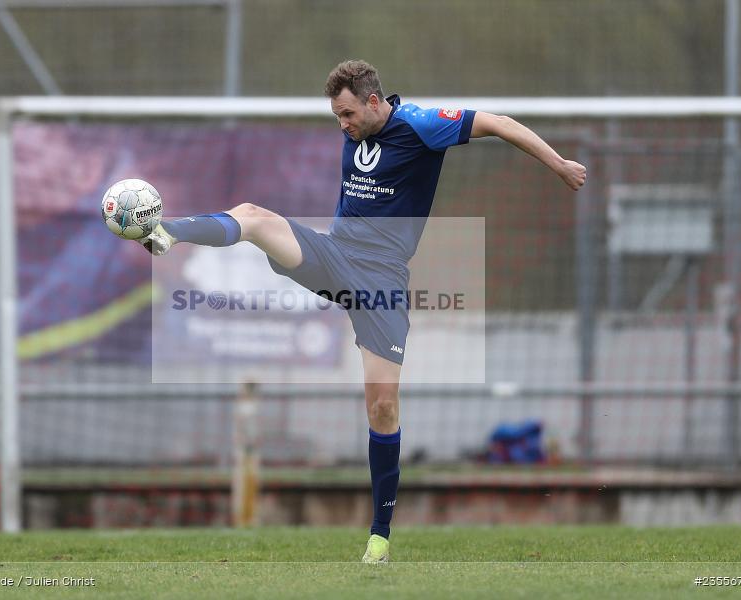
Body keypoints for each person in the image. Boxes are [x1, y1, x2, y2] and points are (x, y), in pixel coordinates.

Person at [135, 59, 587, 562]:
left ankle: (379, 536)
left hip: (382, 281)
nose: (342, 125)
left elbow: (498, 124)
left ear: (374, 102)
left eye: (347, 114)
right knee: (254, 216)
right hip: (334, 257)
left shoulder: (421, 124)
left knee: (383, 407)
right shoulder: (358, 124)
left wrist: (560, 165)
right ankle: (166, 231)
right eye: (336, 117)